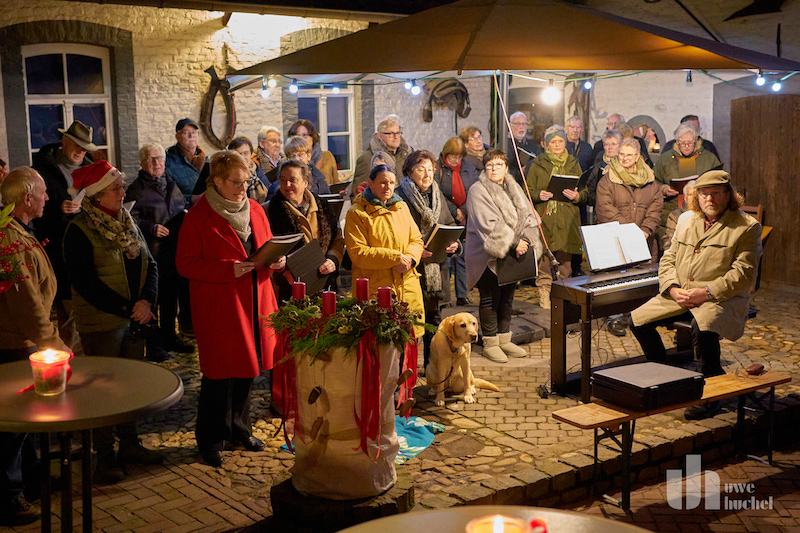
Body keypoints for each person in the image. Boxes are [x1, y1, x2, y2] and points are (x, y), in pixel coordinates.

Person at [176, 151, 284, 467]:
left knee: (248, 370)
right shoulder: (198, 217)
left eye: (246, 182)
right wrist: (227, 269)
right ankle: (210, 439)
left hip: (256, 301)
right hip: (221, 307)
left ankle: (239, 430)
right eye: (236, 183)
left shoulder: (255, 210)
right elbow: (185, 264)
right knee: (219, 376)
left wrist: (276, 261)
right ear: (217, 182)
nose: (243, 189)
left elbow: (265, 247)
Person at [630, 170, 761, 420]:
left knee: (703, 327)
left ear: (729, 195)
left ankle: (710, 393)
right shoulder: (686, 219)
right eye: (704, 194)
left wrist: (707, 292)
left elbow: (743, 274)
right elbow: (668, 258)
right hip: (680, 293)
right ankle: (666, 377)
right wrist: (672, 288)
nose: (709, 199)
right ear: (696, 197)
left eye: (716, 193)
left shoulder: (746, 226)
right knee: (637, 320)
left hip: (721, 298)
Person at [63, 160, 164, 483]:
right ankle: (104, 455)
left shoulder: (127, 222)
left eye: (121, 187)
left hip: (134, 319)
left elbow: (150, 264)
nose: (123, 193)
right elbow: (86, 283)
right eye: (116, 189)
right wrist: (129, 308)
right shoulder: (79, 230)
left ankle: (130, 444)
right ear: (96, 196)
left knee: (129, 386)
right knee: (103, 390)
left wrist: (147, 302)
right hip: (102, 323)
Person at [0, 167, 70, 526]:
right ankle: (9, 497)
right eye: (43, 192)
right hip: (15, 345)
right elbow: (26, 304)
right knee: (12, 426)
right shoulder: (8, 241)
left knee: (24, 420)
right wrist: (55, 345)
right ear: (26, 199)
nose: (48, 197)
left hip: (22, 340)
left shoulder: (19, 232)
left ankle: (31, 478)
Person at [465, 149, 544, 363]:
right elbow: (489, 223)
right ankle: (490, 342)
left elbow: (528, 215)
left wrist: (526, 239)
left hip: (512, 254)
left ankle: (504, 338)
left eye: (498, 164)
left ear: (506, 168)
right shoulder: (477, 190)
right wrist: (515, 242)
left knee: (507, 297)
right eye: (490, 165)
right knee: (490, 298)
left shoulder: (513, 186)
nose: (494, 169)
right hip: (487, 255)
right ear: (485, 168)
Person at [33, 119, 96, 356]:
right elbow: (34, 213)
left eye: (85, 148)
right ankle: (73, 361)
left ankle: (92, 357)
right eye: (77, 145)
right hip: (58, 248)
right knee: (66, 309)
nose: (81, 151)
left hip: (87, 245)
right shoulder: (44, 169)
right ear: (64, 141)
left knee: (89, 306)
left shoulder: (90, 168)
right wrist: (58, 209)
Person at [396, 150, 461, 370]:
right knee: (411, 322)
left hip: (436, 269)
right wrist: (414, 250)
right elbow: (395, 234)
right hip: (411, 271)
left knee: (434, 321)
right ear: (409, 172)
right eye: (421, 169)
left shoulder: (437, 194)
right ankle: (408, 371)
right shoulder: (399, 197)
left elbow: (449, 223)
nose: (427, 174)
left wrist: (454, 243)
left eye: (430, 169)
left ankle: (432, 368)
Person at [127, 143, 193, 357]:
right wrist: (151, 227)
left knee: (170, 296)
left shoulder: (172, 183)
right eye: (151, 159)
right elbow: (129, 219)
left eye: (160, 158)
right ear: (142, 163)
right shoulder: (136, 189)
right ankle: (153, 343)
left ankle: (169, 335)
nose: (157, 163)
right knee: (153, 297)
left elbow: (180, 208)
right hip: (152, 253)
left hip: (173, 250)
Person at [344, 164, 424, 340]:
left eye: (391, 183)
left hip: (406, 285)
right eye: (382, 183)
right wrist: (395, 258)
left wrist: (411, 259)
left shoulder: (401, 207)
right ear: (370, 183)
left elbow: (416, 239)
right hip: (376, 288)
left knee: (409, 343)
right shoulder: (357, 213)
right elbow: (359, 253)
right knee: (380, 344)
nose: (388, 187)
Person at [595, 138, 663, 336]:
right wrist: (629, 231)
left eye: (629, 155)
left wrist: (645, 230)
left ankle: (636, 317)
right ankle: (614, 317)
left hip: (643, 239)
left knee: (638, 279)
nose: (624, 159)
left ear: (638, 156)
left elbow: (656, 209)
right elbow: (604, 208)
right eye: (621, 154)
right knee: (614, 277)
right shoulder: (607, 180)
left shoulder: (651, 182)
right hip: (615, 238)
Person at [265, 158, 344, 304]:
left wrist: (332, 260)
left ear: (305, 182)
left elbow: (337, 240)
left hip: (324, 281)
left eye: (293, 180)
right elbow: (267, 249)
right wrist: (282, 268)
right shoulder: (270, 210)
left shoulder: (323, 206)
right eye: (283, 180)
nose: (287, 185)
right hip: (289, 286)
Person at [527, 125, 583, 308]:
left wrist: (577, 195)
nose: (557, 144)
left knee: (565, 260)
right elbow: (527, 190)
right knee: (544, 257)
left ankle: (562, 295)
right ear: (546, 144)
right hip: (546, 217)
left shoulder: (573, 164)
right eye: (553, 141)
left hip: (567, 217)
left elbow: (584, 190)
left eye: (560, 141)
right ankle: (544, 292)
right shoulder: (537, 164)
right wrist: (538, 194)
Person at [653, 121, 722, 251]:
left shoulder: (708, 159)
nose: (686, 146)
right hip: (672, 213)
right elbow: (654, 181)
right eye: (682, 143)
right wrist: (664, 189)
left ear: (696, 140)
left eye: (690, 143)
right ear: (676, 141)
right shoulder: (665, 159)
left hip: (703, 214)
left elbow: (720, 182)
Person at [437, 137, 480, 306]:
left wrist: (464, 210)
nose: (456, 160)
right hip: (445, 216)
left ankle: (462, 295)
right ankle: (445, 297)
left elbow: (475, 190)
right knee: (446, 258)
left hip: (466, 217)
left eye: (459, 156)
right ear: (446, 154)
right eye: (453, 156)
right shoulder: (438, 168)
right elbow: (438, 193)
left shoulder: (468, 167)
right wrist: (455, 211)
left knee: (463, 256)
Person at [192, 137, 269, 204]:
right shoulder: (212, 170)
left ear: (251, 154)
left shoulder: (260, 176)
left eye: (246, 153)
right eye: (238, 154)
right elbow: (193, 199)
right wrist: (214, 192)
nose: (242, 157)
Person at [352, 115, 412, 195]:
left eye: (398, 133)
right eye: (391, 134)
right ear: (379, 136)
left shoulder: (406, 156)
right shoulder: (368, 159)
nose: (396, 137)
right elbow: (358, 193)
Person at [266, 136, 331, 202]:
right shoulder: (278, 182)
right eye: (292, 156)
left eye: (300, 155)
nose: (296, 159)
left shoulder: (319, 180)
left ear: (308, 156)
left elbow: (326, 203)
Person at [581, 129, 624, 221]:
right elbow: (589, 192)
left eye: (614, 144)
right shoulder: (598, 167)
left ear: (621, 145)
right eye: (606, 144)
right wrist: (601, 199)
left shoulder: (627, 165)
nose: (610, 147)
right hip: (602, 215)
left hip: (624, 214)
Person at [165, 117, 207, 203]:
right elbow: (166, 194)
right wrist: (191, 199)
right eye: (186, 133)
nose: (191, 136)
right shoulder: (168, 162)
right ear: (177, 137)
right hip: (184, 208)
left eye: (194, 132)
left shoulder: (205, 159)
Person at [288, 119, 339, 185]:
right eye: (298, 136)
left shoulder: (328, 156)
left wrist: (340, 189)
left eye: (304, 135)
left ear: (312, 137)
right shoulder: (287, 161)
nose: (301, 139)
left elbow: (335, 181)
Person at [507, 111, 542, 186]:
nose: (521, 127)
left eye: (524, 124)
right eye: (518, 124)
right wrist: (519, 172)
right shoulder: (504, 145)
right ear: (510, 125)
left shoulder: (534, 146)